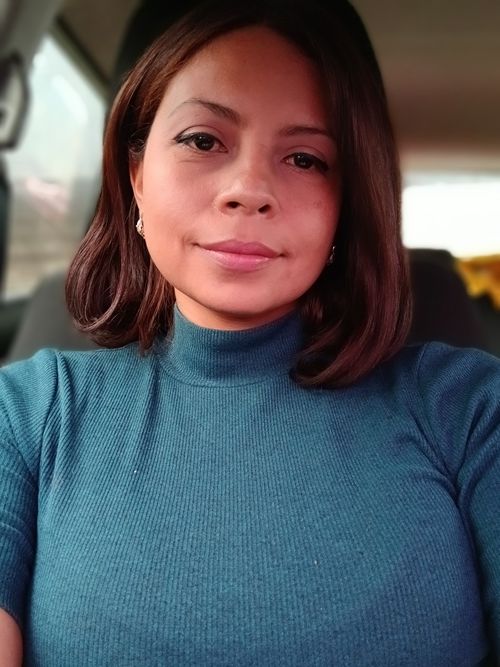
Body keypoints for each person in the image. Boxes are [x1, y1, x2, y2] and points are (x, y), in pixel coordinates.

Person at [0, 0, 499, 664]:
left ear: (344, 206)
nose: (248, 189)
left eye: (305, 158)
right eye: (203, 140)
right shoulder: (27, 415)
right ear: (136, 173)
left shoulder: (470, 411)